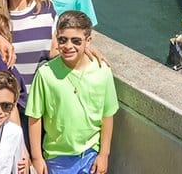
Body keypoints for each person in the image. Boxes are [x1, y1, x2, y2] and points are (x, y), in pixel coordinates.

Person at [26, 11, 118, 174]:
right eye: (63, 40)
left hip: (90, 155)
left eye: (76, 41)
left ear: (88, 41)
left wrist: (104, 154)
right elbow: (35, 117)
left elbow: (107, 115)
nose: (68, 46)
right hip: (56, 157)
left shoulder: (102, 71)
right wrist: (37, 158)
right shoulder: (45, 74)